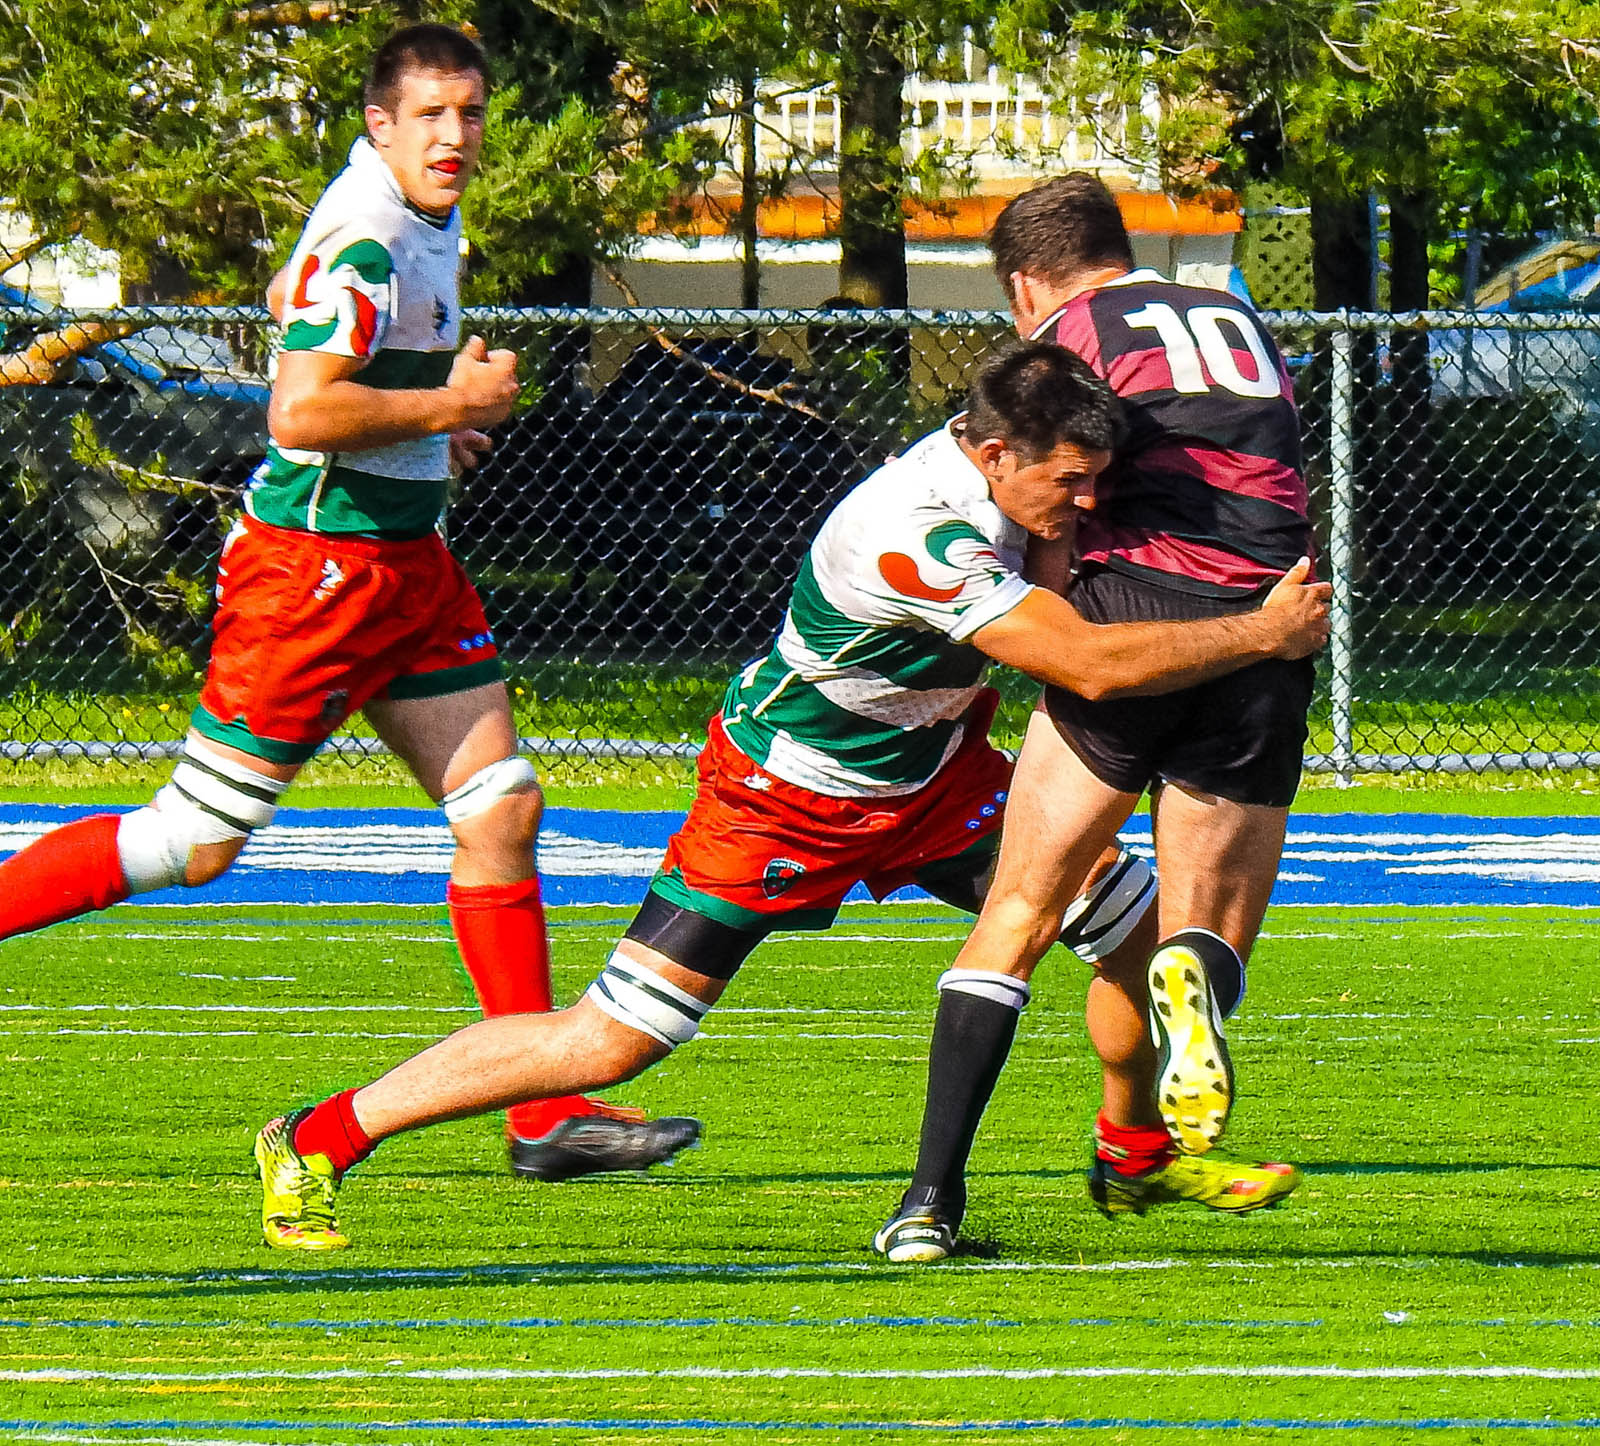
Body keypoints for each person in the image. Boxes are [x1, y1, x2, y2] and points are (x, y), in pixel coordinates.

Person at [252, 339, 1330, 1251]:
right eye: (1069, 483)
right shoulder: (920, 534)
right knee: (612, 1038)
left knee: (1139, 938)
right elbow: (1085, 664)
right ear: (995, 454)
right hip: (785, 797)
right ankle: (319, 1134)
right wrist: (1261, 635)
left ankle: (1133, 1157)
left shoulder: (1014, 480)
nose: (1089, 503)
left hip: (933, 779)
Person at [0, 24, 696, 1185]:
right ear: (381, 124)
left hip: (405, 565)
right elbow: (298, 416)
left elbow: (298, 302)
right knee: (193, 841)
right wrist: (446, 404)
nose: (456, 136)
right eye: (430, 115)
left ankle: (544, 1117)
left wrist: (436, 418)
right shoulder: (371, 235)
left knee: (500, 808)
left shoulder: (408, 210)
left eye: (470, 113)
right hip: (317, 577)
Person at [875, 172, 1319, 1261]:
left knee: (1022, 910)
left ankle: (928, 1203)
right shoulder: (1232, 312)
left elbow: (1048, 476)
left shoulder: (1066, 336)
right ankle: (1161, 1072)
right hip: (1272, 611)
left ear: (1027, 283)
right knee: (1199, 930)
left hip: (1131, 613)